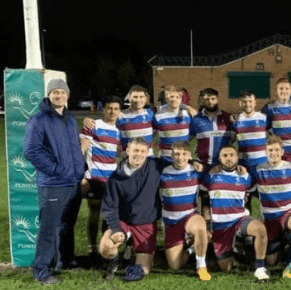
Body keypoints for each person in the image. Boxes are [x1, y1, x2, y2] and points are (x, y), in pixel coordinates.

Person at [99, 138, 203, 281]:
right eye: (135, 150)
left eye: (143, 151)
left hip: (146, 224)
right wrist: (116, 229)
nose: (139, 155)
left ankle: (131, 252)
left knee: (144, 269)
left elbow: (179, 161)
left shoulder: (155, 165)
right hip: (124, 223)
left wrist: (194, 162)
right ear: (127, 151)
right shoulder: (115, 178)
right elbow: (109, 207)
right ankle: (114, 260)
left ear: (148, 153)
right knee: (106, 247)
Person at [24, 79, 86, 285]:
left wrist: (79, 171)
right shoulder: (38, 120)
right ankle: (41, 269)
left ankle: (65, 260)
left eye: (63, 92)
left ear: (68, 94)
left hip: (73, 181)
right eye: (55, 93)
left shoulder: (69, 119)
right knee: (49, 228)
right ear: (49, 95)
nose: (59, 96)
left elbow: (74, 148)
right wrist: (57, 170)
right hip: (53, 183)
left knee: (67, 224)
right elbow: (31, 150)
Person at [201, 145, 270, 281]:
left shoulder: (244, 176)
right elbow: (202, 196)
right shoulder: (210, 176)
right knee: (225, 268)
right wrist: (207, 223)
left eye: (232, 155)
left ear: (237, 157)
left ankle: (260, 268)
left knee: (260, 229)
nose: (229, 158)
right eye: (225, 155)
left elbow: (252, 192)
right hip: (220, 225)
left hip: (239, 219)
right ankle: (237, 250)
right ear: (219, 158)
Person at [249, 136, 291, 278]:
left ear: (282, 151)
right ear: (265, 152)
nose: (273, 153)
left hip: (287, 212)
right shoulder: (257, 170)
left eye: (276, 150)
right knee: (271, 261)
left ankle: (290, 264)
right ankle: (285, 239)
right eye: (270, 150)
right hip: (268, 217)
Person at [159, 141, 210, 281]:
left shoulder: (196, 172)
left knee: (200, 227)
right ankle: (193, 248)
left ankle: (201, 266)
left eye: (183, 154)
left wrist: (204, 167)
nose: (180, 157)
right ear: (171, 155)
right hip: (171, 221)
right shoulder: (163, 172)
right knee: (175, 265)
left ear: (189, 155)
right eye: (176, 154)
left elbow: (214, 174)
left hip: (189, 216)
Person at [79, 95, 123, 261]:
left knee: (109, 215)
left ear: (120, 111)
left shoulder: (121, 130)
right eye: (109, 108)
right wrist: (81, 175)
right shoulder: (94, 125)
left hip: (111, 180)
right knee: (94, 211)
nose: (112, 111)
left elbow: (120, 153)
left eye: (116, 109)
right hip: (94, 177)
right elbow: (82, 150)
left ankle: (104, 248)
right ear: (104, 109)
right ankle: (91, 249)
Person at [261, 78, 291, 216]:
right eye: (281, 89)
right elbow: (261, 126)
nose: (284, 91)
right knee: (281, 193)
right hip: (279, 156)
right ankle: (283, 223)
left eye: (286, 88)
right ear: (276, 91)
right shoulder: (269, 108)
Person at [189, 88, 233, 215]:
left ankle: (224, 229)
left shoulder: (227, 117)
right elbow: (185, 143)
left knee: (224, 199)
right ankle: (208, 231)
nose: (210, 101)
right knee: (205, 200)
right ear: (203, 100)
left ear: (217, 99)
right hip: (204, 166)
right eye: (207, 99)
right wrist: (191, 161)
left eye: (212, 98)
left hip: (224, 166)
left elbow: (236, 139)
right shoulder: (196, 120)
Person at [232, 90, 268, 169]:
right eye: (244, 101)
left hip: (262, 163)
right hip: (243, 164)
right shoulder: (236, 120)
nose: (248, 104)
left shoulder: (264, 118)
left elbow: (275, 137)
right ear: (240, 103)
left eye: (250, 101)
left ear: (255, 102)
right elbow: (230, 141)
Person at [153, 85, 192, 160]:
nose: (174, 99)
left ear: (181, 99)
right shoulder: (158, 114)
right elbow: (152, 132)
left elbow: (194, 132)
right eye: (171, 97)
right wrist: (154, 143)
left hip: (184, 157)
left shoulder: (187, 113)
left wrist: (185, 142)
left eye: (177, 97)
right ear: (166, 99)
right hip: (165, 157)